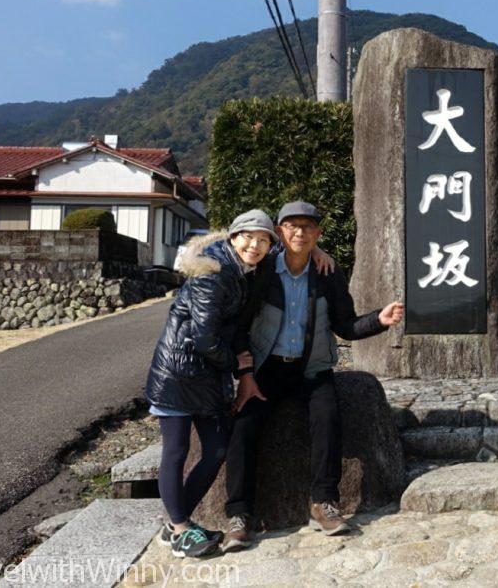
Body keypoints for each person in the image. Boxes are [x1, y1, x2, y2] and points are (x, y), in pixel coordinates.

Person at [145, 209, 334, 558]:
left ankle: (174, 524)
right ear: (233, 237)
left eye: (263, 239)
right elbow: (204, 337)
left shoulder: (250, 266)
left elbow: (288, 248)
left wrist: (316, 251)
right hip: (179, 370)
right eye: (248, 236)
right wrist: (238, 364)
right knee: (176, 451)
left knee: (217, 448)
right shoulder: (212, 273)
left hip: (207, 375)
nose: (255, 245)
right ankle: (180, 527)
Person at [221, 200, 404, 551]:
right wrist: (245, 374)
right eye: (292, 226)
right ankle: (239, 516)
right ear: (279, 232)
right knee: (243, 425)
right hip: (267, 369)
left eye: (308, 227)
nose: (299, 232)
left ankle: (323, 502)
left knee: (327, 415)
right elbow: (240, 327)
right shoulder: (261, 272)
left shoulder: (327, 273)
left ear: (318, 233)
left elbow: (345, 324)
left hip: (311, 368)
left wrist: (378, 320)